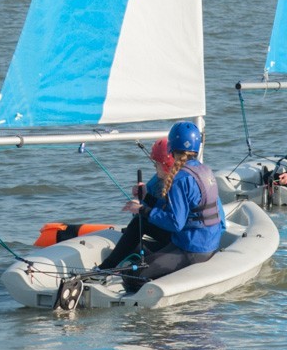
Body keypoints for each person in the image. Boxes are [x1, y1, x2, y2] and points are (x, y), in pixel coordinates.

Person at [117, 121, 226, 293]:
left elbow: (175, 223)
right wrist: (148, 199)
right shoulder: (205, 170)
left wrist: (142, 210)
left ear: (172, 147)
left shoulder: (181, 179)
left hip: (192, 250)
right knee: (144, 259)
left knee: (131, 275)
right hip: (208, 244)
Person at [96, 137, 175, 271]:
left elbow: (172, 218)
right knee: (136, 232)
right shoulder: (157, 180)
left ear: (166, 164)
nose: (154, 166)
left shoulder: (179, 184)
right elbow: (154, 206)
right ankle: (111, 266)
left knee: (140, 223)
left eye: (157, 163)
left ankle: (105, 268)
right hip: (170, 233)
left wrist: (143, 209)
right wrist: (141, 198)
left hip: (180, 238)